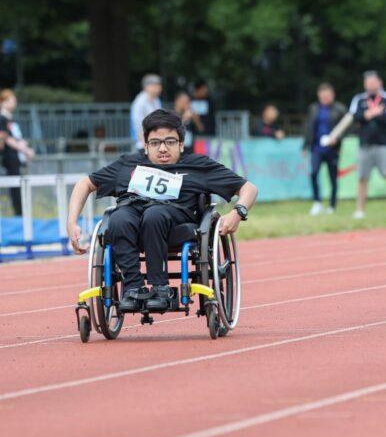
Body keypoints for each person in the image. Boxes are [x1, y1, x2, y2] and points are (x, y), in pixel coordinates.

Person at [66, 110, 258, 312]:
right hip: (131, 225)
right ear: (146, 145)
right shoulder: (127, 164)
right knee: (118, 217)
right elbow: (84, 184)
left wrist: (238, 212)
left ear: (181, 144)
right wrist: (71, 223)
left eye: (170, 142)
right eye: (156, 143)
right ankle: (133, 288)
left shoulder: (199, 166)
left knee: (154, 214)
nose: (163, 148)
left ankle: (160, 288)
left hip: (176, 225)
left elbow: (249, 189)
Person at [349, 70, 386, 219]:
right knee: (362, 179)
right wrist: (374, 113)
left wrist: (368, 115)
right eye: (368, 82)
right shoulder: (358, 99)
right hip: (364, 145)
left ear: (380, 82)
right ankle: (359, 210)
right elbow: (355, 117)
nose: (371, 85)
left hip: (383, 145)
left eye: (373, 82)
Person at [302, 83, 348, 215]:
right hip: (316, 148)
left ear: (332, 95)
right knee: (314, 173)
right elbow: (309, 128)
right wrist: (305, 145)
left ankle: (332, 205)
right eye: (323, 94)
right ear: (319, 95)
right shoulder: (313, 108)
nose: (325, 97)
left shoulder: (340, 109)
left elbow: (347, 127)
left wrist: (337, 140)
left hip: (333, 149)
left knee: (333, 177)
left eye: (328, 94)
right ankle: (317, 202)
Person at [0, 89, 35, 216]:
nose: (14, 102)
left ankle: (21, 214)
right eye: (11, 100)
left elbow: (14, 137)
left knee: (19, 187)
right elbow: (6, 139)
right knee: (15, 188)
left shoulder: (9, 119)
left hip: (16, 157)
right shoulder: (2, 118)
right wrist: (24, 150)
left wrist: (24, 148)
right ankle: (18, 215)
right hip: (10, 157)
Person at [130, 74, 163, 151]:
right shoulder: (140, 102)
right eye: (156, 85)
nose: (160, 88)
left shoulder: (156, 100)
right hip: (143, 143)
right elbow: (138, 124)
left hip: (156, 141)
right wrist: (145, 143)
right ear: (147, 86)